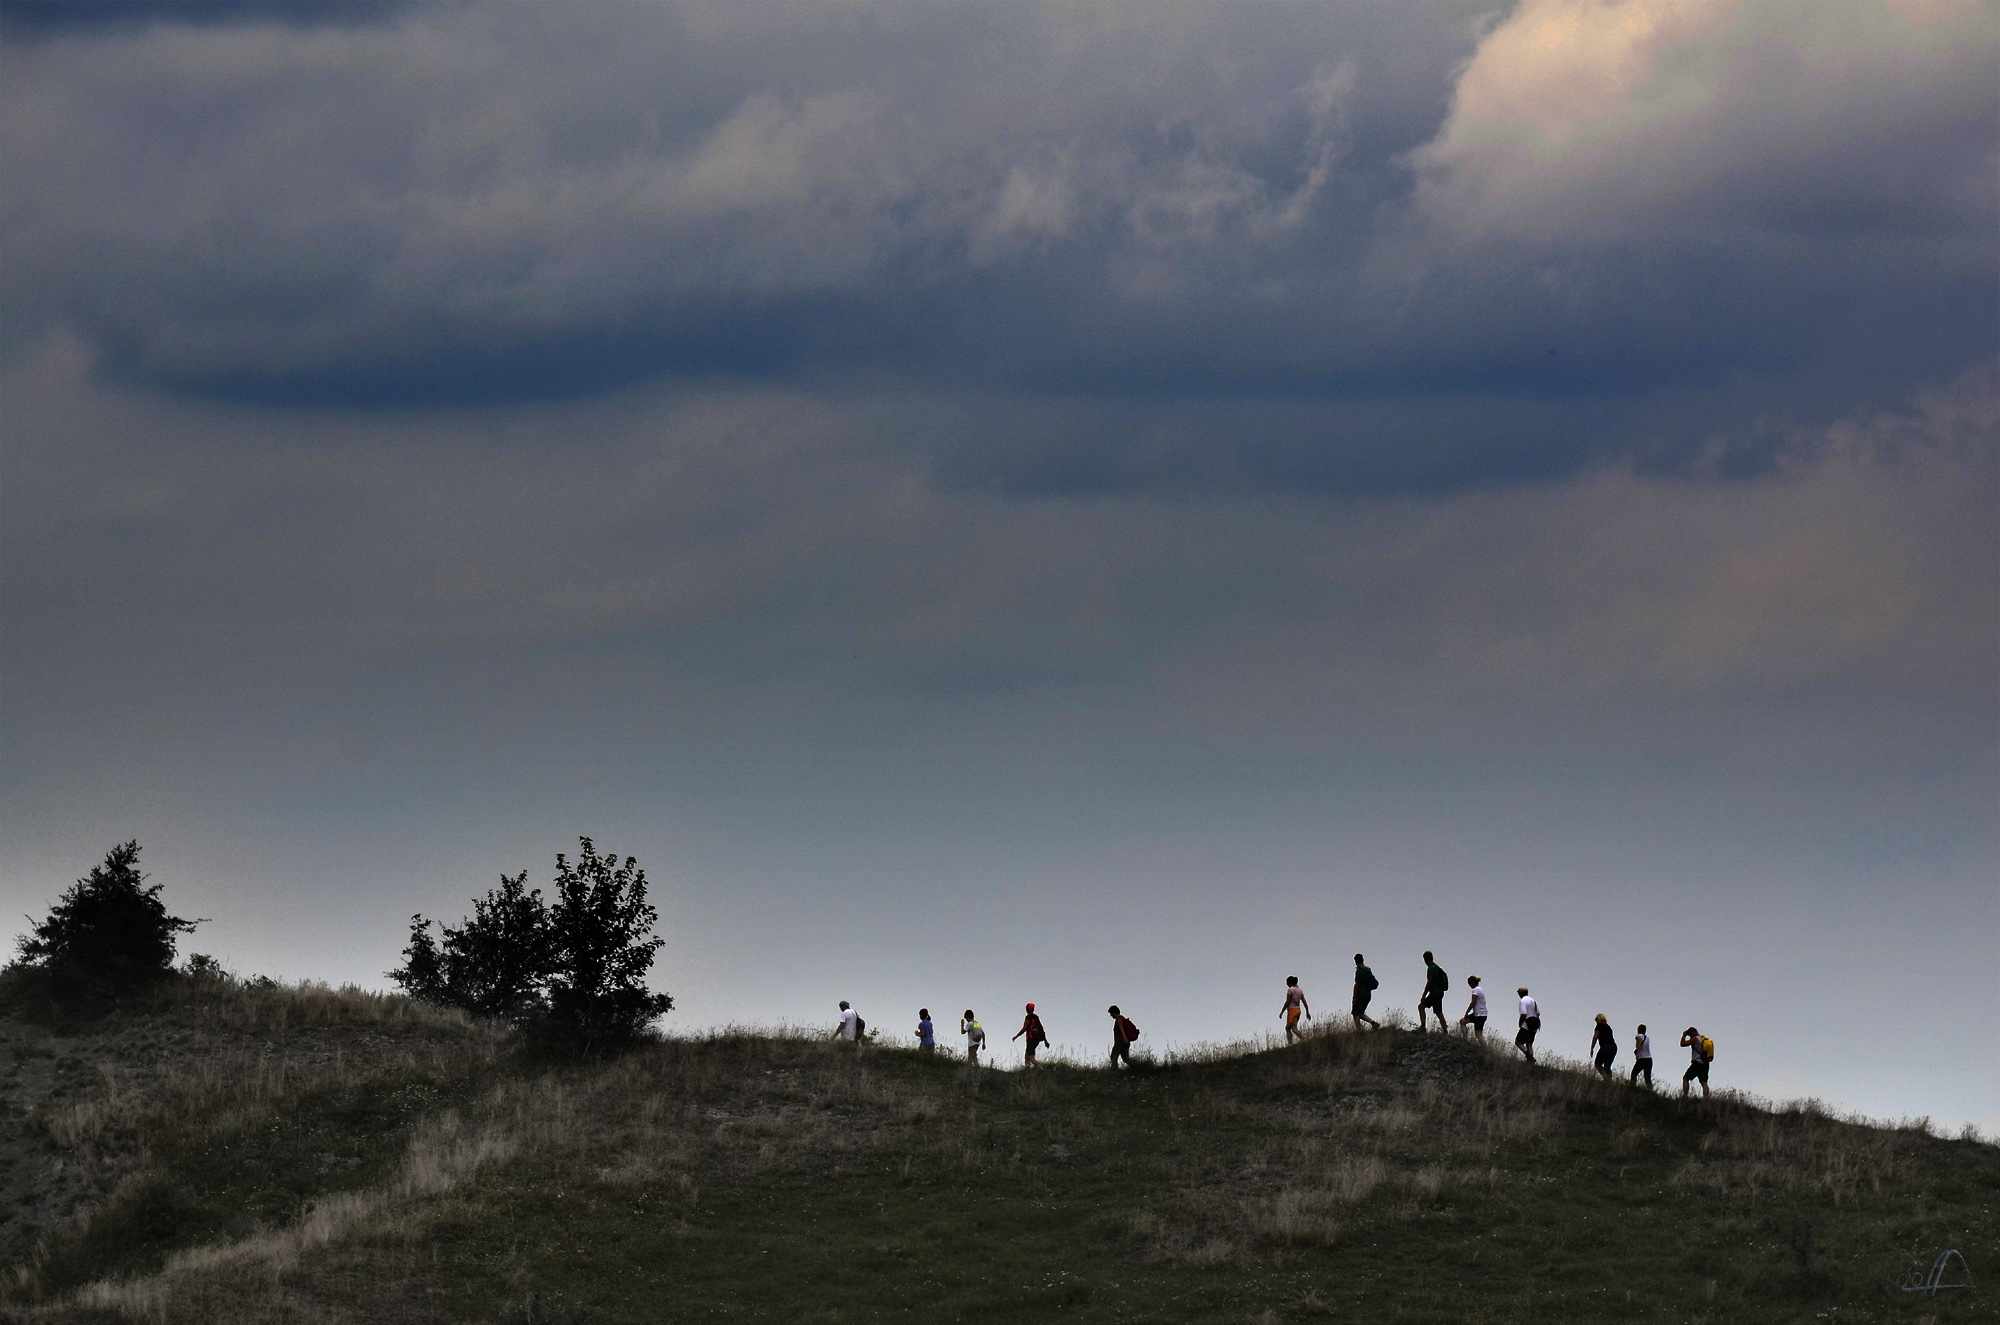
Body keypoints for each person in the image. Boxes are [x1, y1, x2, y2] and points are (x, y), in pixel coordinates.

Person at [1417, 951, 1450, 1032]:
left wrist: (1423, 995)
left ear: (1425, 959)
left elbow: (1429, 982)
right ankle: (1423, 1027)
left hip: (1436, 993)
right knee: (1421, 1007)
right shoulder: (1436, 967)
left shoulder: (1431, 968)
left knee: (1438, 1012)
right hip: (1437, 993)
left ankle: (1445, 1031)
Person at [1012, 1002, 1049, 1067]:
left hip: (1031, 1038)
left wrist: (1016, 1036)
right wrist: (1045, 1041)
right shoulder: (1036, 1017)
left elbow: (1024, 1028)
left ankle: (1041, 1068)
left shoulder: (1028, 1017)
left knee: (1031, 1057)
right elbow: (1041, 1028)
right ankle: (1027, 1070)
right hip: (1037, 1039)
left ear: (1026, 1009)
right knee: (1027, 1055)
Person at [1680, 1026, 1713, 1098]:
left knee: (1685, 1078)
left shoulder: (1695, 1039)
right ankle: (1706, 1099)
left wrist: (1684, 1035)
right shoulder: (1703, 1038)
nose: (1690, 1036)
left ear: (1692, 1032)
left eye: (1690, 1035)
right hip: (1705, 1064)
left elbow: (1682, 1044)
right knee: (1704, 1082)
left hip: (1697, 1063)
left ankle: (1685, 1096)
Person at [1351, 954, 1380, 1030]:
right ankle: (1374, 1023)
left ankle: (1359, 1031)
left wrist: (1354, 998)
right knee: (1360, 1013)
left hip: (1360, 995)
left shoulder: (1359, 972)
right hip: (1368, 995)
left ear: (1356, 961)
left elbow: (1357, 985)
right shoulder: (1368, 970)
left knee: (1355, 1013)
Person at [1108, 1004, 1140, 1069]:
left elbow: (1121, 1030)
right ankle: (1137, 1067)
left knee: (1113, 1056)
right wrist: (1126, 1040)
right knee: (1125, 1058)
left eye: (1111, 1013)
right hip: (1125, 1042)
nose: (1111, 1015)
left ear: (1114, 1012)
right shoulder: (1122, 1019)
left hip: (1120, 1041)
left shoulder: (1118, 1019)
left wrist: (1125, 1039)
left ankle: (1114, 1071)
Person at [1281, 976, 1311, 1042]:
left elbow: (1287, 1001)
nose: (1287, 984)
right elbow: (1304, 1001)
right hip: (1298, 1010)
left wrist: (1282, 1011)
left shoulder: (1290, 990)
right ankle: (1304, 1040)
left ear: (1290, 982)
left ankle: (1299, 1041)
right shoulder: (1299, 990)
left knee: (1289, 1028)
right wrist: (1307, 1012)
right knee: (1294, 1027)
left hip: (1292, 1010)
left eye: (1287, 983)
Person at [1458, 975, 1488, 1040]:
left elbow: (1473, 1002)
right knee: (1462, 1021)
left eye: (1469, 983)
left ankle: (1485, 1049)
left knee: (1478, 1034)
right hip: (1479, 1014)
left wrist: (1467, 1012)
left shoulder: (1475, 990)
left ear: (1472, 982)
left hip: (1479, 1015)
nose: (1469, 985)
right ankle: (1465, 1039)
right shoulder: (1480, 989)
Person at [1515, 987, 1540, 1063]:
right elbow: (1538, 1013)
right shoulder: (1533, 1001)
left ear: (1521, 993)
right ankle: (1530, 1062)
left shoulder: (1523, 1001)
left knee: (1518, 1042)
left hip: (1526, 1025)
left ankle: (1529, 1057)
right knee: (1529, 1043)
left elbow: (1523, 1014)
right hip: (1535, 1025)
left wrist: (1520, 1023)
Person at [1589, 1012, 1617, 1079]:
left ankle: (1605, 1078)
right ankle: (1609, 1081)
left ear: (1599, 1020)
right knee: (1607, 1066)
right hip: (1614, 1047)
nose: (1596, 1022)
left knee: (1598, 1063)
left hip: (1606, 1046)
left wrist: (1592, 1048)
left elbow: (1595, 1037)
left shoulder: (1599, 1026)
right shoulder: (1608, 1027)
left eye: (1596, 1021)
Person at [1630, 1023, 1653, 1088]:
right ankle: (1650, 1092)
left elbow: (1639, 1041)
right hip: (1649, 1059)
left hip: (1642, 1058)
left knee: (1634, 1074)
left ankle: (1632, 1088)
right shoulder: (1647, 1038)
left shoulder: (1639, 1035)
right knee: (1647, 1078)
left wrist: (1638, 1053)